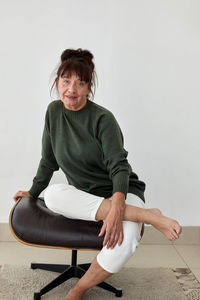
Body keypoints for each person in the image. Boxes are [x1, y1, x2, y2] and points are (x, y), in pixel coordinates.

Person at [13, 48, 182, 300]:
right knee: (53, 194)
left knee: (126, 240)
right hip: (85, 196)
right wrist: (33, 192)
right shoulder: (53, 113)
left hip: (121, 190)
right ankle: (148, 216)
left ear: (89, 87)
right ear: (57, 81)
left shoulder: (103, 119)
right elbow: (48, 162)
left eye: (80, 83)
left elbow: (119, 167)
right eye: (66, 80)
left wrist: (117, 207)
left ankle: (79, 289)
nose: (71, 89)